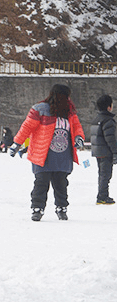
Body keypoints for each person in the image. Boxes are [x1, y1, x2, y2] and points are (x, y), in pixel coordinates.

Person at [9, 84, 86, 221]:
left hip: (63, 156)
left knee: (61, 184)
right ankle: (37, 208)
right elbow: (27, 127)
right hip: (42, 156)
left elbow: (76, 127)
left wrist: (79, 137)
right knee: (41, 183)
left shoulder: (69, 112)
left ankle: (61, 208)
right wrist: (17, 143)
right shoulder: (40, 109)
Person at [90, 94, 117, 205]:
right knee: (105, 175)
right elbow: (110, 138)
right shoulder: (108, 120)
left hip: (98, 152)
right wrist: (114, 152)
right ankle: (102, 196)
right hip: (106, 152)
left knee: (102, 174)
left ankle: (102, 194)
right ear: (109, 107)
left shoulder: (96, 119)